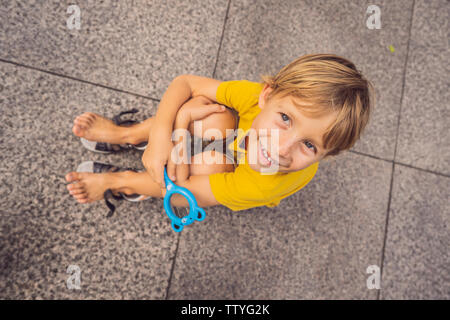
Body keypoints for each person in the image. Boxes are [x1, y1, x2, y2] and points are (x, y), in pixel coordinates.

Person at [65, 54, 374, 212]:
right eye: (284, 119)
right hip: (236, 140)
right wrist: (163, 134)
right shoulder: (256, 96)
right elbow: (186, 83)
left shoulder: (263, 185)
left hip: (236, 170)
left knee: (209, 163)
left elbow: (183, 191)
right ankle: (129, 135)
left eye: (309, 145)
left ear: (327, 155)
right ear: (266, 96)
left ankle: (125, 183)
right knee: (207, 109)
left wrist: (181, 126)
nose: (282, 149)